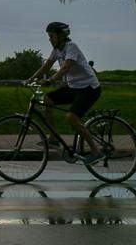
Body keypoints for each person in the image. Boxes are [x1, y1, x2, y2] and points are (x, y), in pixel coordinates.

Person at [27, 21, 105, 163]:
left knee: (71, 117)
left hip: (89, 88)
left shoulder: (71, 47)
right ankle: (54, 138)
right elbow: (47, 65)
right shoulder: (57, 50)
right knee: (47, 100)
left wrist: (50, 80)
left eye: (51, 36)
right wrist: (30, 79)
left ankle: (96, 151)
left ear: (61, 36)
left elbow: (65, 68)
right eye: (49, 36)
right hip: (73, 87)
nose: (49, 39)